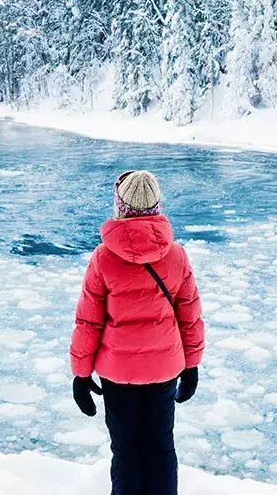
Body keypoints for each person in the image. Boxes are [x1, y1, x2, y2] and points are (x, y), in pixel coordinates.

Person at [69, 170, 205, 495]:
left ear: (120, 206)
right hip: (164, 370)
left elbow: (88, 321)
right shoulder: (176, 255)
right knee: (161, 448)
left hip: (118, 375)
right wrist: (192, 364)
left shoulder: (103, 258)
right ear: (157, 205)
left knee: (127, 451)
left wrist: (81, 374)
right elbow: (189, 315)